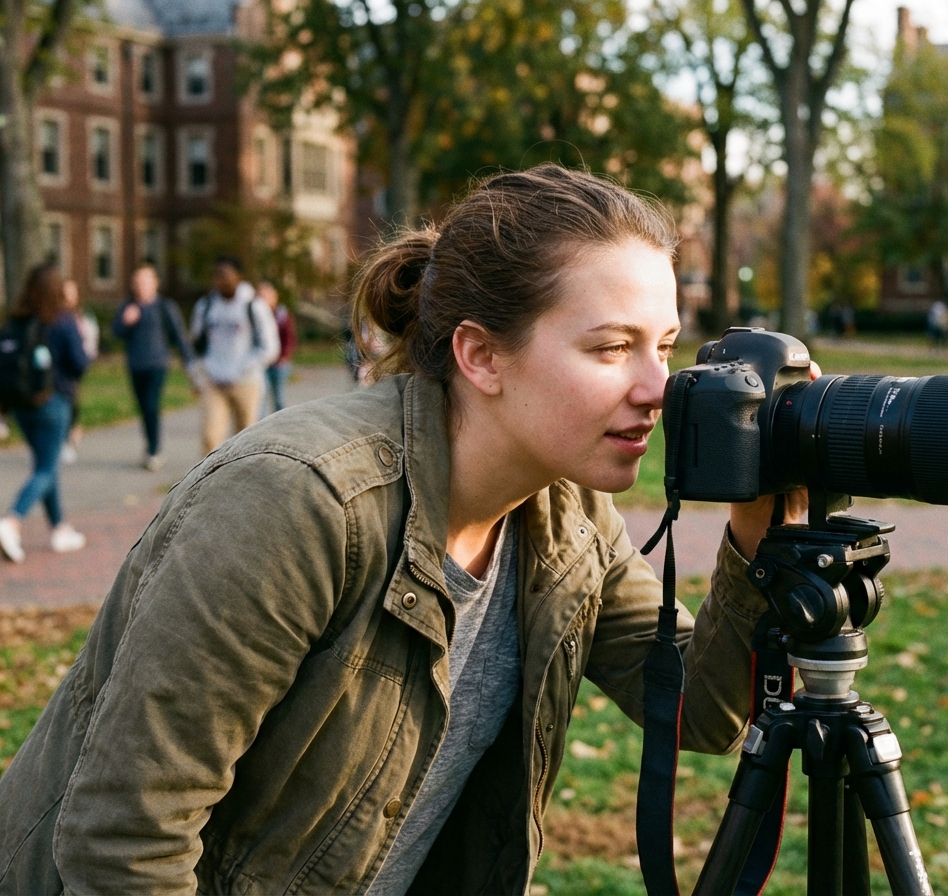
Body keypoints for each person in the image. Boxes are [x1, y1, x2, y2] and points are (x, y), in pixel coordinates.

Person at [0, 164, 818, 893]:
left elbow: (704, 713)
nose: (657, 388)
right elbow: (126, 843)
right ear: (482, 357)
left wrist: (757, 531)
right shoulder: (299, 503)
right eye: (612, 349)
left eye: (666, 348)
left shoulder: (568, 522)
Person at [0, 264, 90, 563]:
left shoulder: (17, 320)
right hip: (54, 403)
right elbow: (80, 363)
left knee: (45, 464)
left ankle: (60, 529)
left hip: (22, 407)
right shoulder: (62, 321)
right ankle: (12, 522)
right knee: (46, 469)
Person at [189, 255, 280, 454]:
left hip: (246, 382)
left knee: (245, 440)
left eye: (225, 275)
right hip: (214, 381)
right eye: (216, 276)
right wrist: (199, 372)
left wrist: (244, 367)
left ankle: (245, 482)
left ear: (237, 277)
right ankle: (209, 483)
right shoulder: (206, 307)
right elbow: (197, 344)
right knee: (210, 437)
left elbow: (270, 347)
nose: (220, 281)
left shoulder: (253, 306)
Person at [112, 263, 197, 470]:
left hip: (157, 364)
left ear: (154, 283)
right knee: (144, 408)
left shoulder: (164, 307)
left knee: (151, 405)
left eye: (145, 281)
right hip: (135, 365)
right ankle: (150, 445)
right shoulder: (129, 306)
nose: (140, 286)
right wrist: (126, 322)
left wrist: (190, 364)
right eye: (137, 282)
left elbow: (178, 336)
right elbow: (116, 332)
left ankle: (154, 450)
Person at [59, 279, 99, 465]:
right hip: (60, 368)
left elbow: (91, 339)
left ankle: (70, 435)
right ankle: (68, 437)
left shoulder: (82, 317)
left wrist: (86, 357)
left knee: (71, 401)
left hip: (74, 366)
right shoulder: (56, 317)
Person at [258, 280, 297, 414]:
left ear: (274, 297)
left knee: (279, 398)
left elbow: (289, 338)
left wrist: (283, 356)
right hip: (261, 364)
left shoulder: (282, 315)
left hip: (279, 364)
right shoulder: (255, 316)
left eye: (265, 296)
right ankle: (260, 428)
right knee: (260, 399)